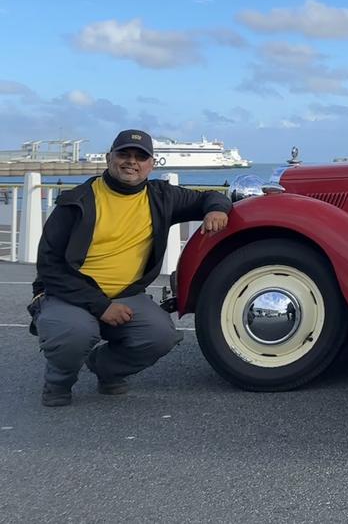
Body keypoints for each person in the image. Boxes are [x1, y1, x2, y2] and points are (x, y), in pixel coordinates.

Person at [30, 129, 231, 406]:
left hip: (126, 295)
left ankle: (106, 369)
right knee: (74, 334)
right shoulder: (76, 201)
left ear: (151, 164)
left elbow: (209, 197)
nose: (131, 162)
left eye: (140, 156)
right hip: (70, 294)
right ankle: (58, 381)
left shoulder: (162, 197)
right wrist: (101, 306)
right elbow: (49, 267)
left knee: (161, 336)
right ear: (108, 158)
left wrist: (217, 209)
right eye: (124, 154)